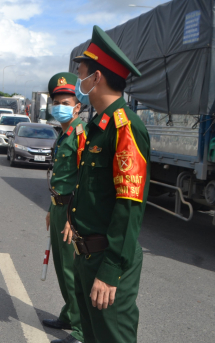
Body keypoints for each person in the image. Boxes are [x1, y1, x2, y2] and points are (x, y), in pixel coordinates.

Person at [62, 26, 150, 343]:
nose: (78, 82)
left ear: (96, 78)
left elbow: (129, 204)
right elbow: (92, 190)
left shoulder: (124, 126)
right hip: (87, 255)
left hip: (107, 259)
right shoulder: (99, 125)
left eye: (81, 74)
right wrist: (73, 219)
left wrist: (111, 269)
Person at [42, 73, 85, 343]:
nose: (59, 106)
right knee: (60, 266)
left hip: (71, 212)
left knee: (72, 270)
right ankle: (68, 314)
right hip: (58, 208)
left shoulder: (81, 135)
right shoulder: (64, 134)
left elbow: (83, 180)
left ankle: (81, 329)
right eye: (56, 101)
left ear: (77, 106)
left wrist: (72, 218)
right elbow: (60, 177)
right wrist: (51, 209)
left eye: (65, 101)